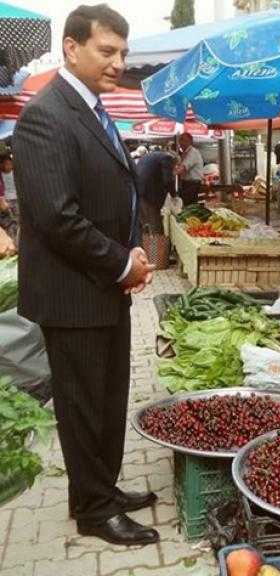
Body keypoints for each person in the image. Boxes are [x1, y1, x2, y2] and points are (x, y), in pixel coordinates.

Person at [13, 4, 158, 546]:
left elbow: (115, 190)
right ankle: (95, 511)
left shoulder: (95, 110)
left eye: (123, 52)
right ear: (71, 48)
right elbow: (56, 216)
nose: (119, 62)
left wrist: (134, 251)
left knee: (106, 399)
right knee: (82, 406)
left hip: (103, 287)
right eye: (107, 50)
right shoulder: (45, 116)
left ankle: (102, 489)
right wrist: (122, 261)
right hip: (73, 295)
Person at [136, 150, 175, 234]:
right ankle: (157, 245)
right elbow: (168, 180)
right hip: (150, 193)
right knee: (155, 222)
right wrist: (174, 195)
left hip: (139, 190)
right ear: (173, 160)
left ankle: (146, 244)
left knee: (145, 221)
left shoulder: (149, 155)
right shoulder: (167, 158)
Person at [174, 132, 203, 206]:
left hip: (192, 184)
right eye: (180, 140)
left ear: (189, 141)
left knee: (188, 206)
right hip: (186, 184)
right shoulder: (185, 153)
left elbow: (183, 167)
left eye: (182, 140)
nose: (180, 142)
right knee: (186, 206)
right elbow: (179, 166)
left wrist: (171, 174)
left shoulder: (192, 153)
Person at [0, 154, 18, 239]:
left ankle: (18, 236)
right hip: (6, 201)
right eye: (7, 164)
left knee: (17, 219)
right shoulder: (1, 175)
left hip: (16, 199)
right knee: (9, 221)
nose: (9, 166)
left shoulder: (15, 173)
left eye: (10, 164)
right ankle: (13, 237)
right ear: (2, 164)